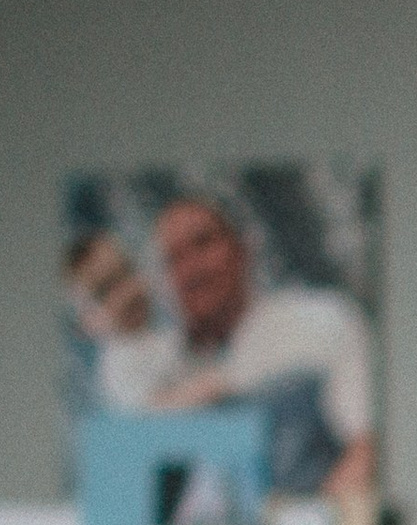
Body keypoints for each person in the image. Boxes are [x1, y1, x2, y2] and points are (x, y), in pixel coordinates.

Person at [149, 193, 377, 498]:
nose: (192, 270)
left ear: (243, 248)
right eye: (174, 258)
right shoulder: (152, 372)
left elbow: (368, 445)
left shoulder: (319, 321)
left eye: (203, 244)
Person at [60, 229, 180, 412]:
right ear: (85, 325)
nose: (126, 293)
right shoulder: (117, 368)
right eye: (104, 292)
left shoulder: (163, 332)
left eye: (127, 272)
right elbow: (151, 412)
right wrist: (211, 386)